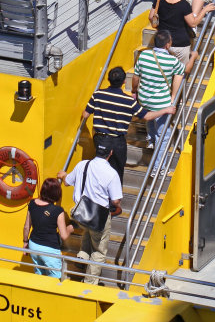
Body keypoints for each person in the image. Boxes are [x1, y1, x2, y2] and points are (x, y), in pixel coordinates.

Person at [82, 66, 176, 183]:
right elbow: (147, 116)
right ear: (124, 81)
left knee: (100, 171)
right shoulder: (129, 102)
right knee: (116, 173)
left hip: (100, 139)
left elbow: (85, 115)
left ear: (108, 79)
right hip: (117, 141)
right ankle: (114, 199)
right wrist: (165, 110)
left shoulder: (97, 95)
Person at [58, 137, 122, 285]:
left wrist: (63, 175)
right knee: (99, 252)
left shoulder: (82, 165)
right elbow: (116, 201)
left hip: (81, 214)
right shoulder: (111, 174)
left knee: (88, 231)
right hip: (98, 217)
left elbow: (67, 182)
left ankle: (82, 257)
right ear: (110, 153)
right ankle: (90, 282)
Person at [132, 29, 184, 166]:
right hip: (160, 103)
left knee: (149, 114)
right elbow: (179, 78)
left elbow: (135, 77)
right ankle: (157, 167)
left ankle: (150, 139)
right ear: (167, 45)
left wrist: (134, 91)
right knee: (164, 136)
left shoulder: (143, 56)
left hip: (143, 98)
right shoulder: (173, 61)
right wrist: (173, 98)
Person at [148, 0, 215, 67]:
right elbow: (193, 23)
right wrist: (204, 10)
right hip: (180, 45)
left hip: (163, 42)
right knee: (180, 72)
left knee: (164, 68)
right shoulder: (184, 5)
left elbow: (151, 17)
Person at [22, 178, 74, 278]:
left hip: (33, 246)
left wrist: (25, 242)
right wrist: (70, 229)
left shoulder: (32, 203)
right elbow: (63, 236)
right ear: (57, 193)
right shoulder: (58, 210)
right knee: (56, 278)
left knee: (39, 275)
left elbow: (26, 227)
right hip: (49, 250)